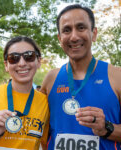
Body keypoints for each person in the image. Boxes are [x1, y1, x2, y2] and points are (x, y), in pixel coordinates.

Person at [41, 4, 121, 150]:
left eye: (81, 27)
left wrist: (106, 128)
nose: (74, 36)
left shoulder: (117, 76)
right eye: (66, 30)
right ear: (60, 38)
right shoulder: (51, 79)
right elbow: (40, 131)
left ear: (94, 33)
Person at [0, 36, 49, 150]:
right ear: (6, 65)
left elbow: (46, 145)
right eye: (14, 58)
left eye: (29, 56)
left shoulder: (46, 102)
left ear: (38, 61)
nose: (22, 63)